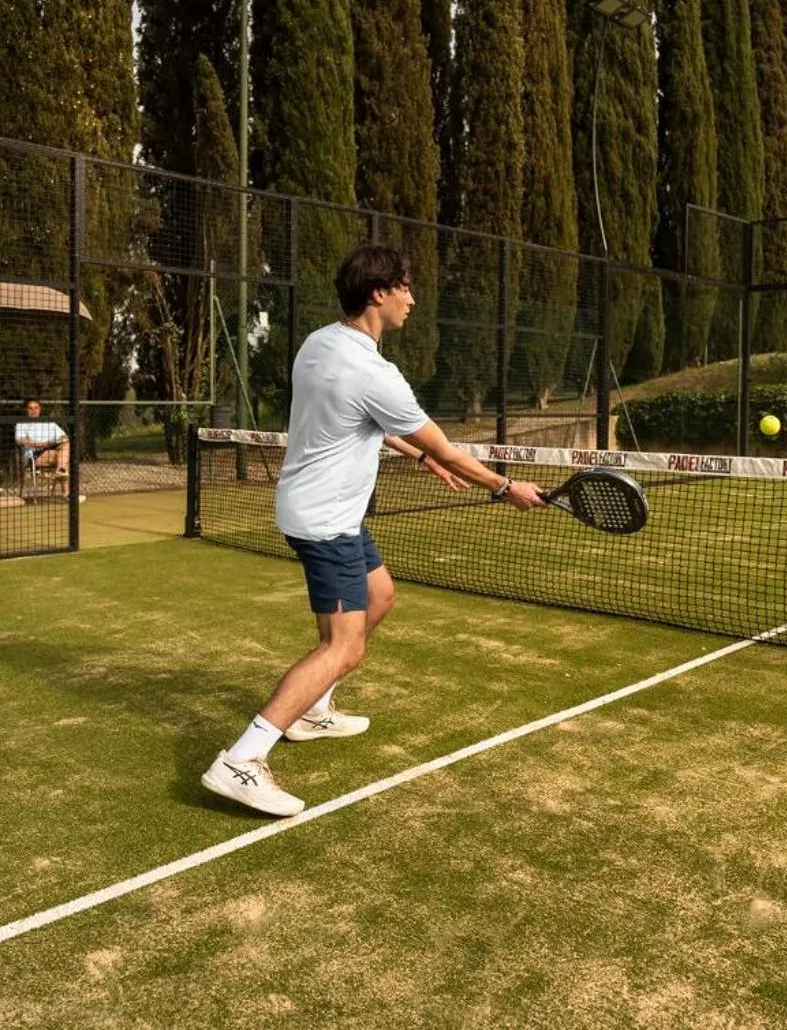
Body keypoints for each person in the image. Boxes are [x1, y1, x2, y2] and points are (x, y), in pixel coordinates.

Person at [202, 245, 545, 818]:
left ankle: (314, 711)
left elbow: (359, 419)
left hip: (325, 510)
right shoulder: (374, 372)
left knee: (380, 595)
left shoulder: (320, 344)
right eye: (404, 287)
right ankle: (242, 759)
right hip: (326, 521)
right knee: (343, 646)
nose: (412, 299)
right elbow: (447, 449)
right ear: (379, 293)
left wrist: (416, 455)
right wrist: (505, 487)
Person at [13, 397, 74, 499]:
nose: (34, 411)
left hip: (52, 451)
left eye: (36, 408)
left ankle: (61, 471)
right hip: (33, 457)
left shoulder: (49, 422)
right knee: (62, 458)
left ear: (40, 409)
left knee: (65, 446)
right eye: (30, 408)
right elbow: (21, 441)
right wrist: (42, 444)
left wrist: (51, 442)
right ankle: (66, 493)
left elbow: (64, 437)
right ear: (26, 410)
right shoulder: (21, 424)